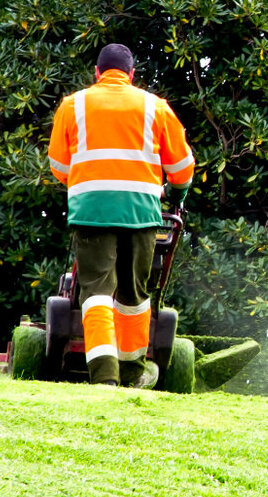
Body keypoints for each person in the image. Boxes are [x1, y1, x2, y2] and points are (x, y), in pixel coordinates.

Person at [48, 43, 194, 388]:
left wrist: (84, 181)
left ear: (97, 73)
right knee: (134, 294)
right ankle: (132, 372)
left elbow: (58, 165)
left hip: (92, 211)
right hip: (141, 213)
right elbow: (182, 168)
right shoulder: (155, 107)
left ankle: (104, 378)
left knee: (96, 292)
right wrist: (178, 193)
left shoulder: (74, 104)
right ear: (131, 75)